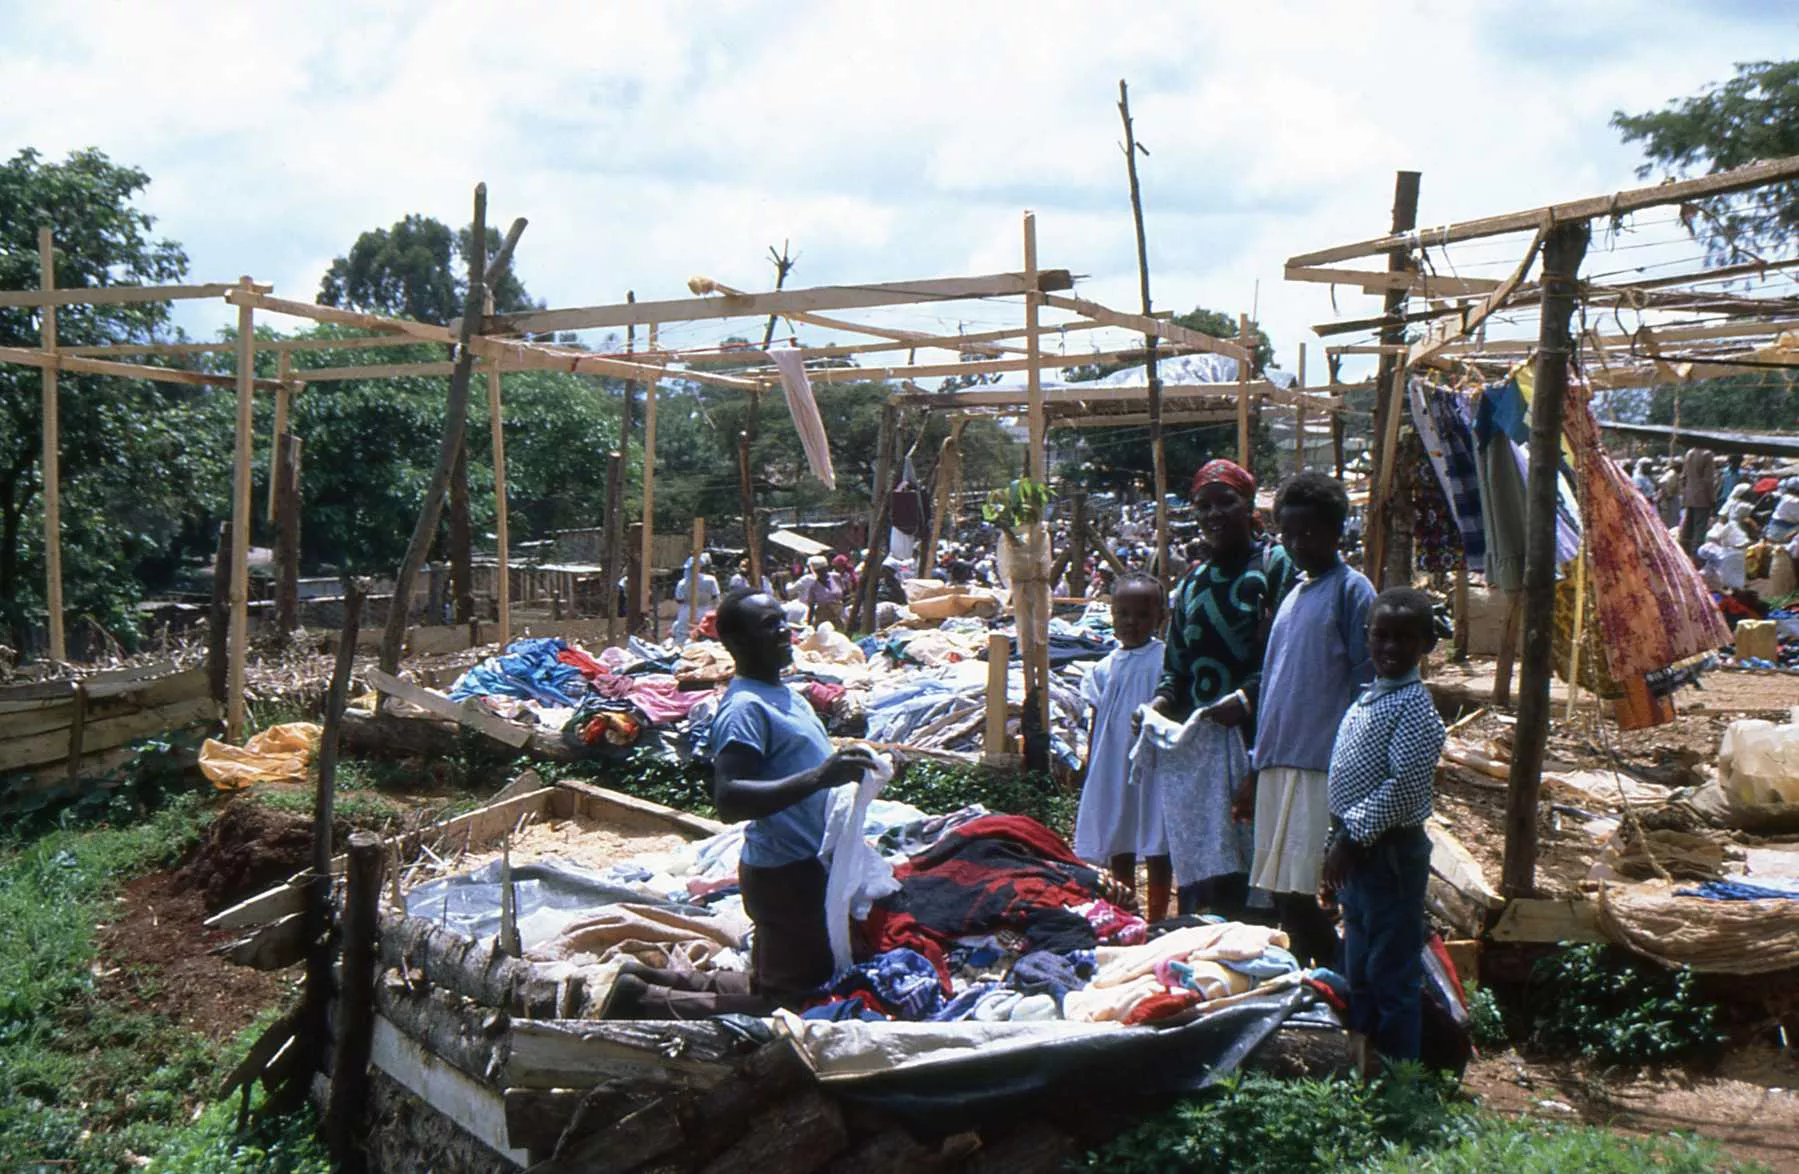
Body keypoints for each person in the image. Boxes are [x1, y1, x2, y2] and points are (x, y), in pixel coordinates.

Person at [606, 590, 883, 1018]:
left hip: (805, 866)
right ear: (736, 643)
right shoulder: (745, 708)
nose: (784, 632)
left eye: (782, 621)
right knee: (791, 1003)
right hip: (785, 873)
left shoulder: (784, 694)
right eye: (769, 626)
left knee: (779, 980)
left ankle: (648, 980)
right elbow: (730, 798)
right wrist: (820, 777)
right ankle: (641, 1002)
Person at [1233, 473, 1374, 968]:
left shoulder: (1352, 592)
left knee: (1306, 889)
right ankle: (1325, 978)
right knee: (1281, 892)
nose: (1296, 545)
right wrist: (1257, 766)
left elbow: (1366, 683)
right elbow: (1274, 688)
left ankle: (1340, 975)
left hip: (1321, 765)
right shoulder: (1293, 595)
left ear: (1336, 532)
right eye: (1287, 535)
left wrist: (1356, 767)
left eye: (1308, 533)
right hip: (1279, 761)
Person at [1148, 459, 1295, 916]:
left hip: (1263, 743)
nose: (1213, 514)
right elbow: (1176, 668)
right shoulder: (1193, 584)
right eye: (1203, 506)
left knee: (1263, 876)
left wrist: (1248, 699)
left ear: (1249, 506)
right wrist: (1158, 706)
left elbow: (1293, 659)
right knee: (1209, 877)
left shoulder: (1275, 567)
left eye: (1225, 502)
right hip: (1204, 756)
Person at [1320, 587, 1447, 1076]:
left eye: (1404, 638)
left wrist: (1351, 838)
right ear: (1367, 636)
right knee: (1360, 967)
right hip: (1359, 855)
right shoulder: (1371, 697)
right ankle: (1363, 1071)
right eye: (1382, 636)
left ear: (1426, 645)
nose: (1390, 647)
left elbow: (1404, 787)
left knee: (1391, 973)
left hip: (1388, 856)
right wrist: (1338, 842)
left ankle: (1399, 1085)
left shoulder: (1414, 706)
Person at [1075, 572, 1173, 922]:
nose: (1132, 622)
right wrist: (1091, 765)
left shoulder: (1165, 662)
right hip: (1114, 762)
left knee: (1157, 838)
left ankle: (1158, 919)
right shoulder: (1103, 668)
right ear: (1112, 615)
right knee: (1120, 835)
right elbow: (1096, 721)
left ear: (1160, 617)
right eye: (1123, 614)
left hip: (1155, 764)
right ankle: (1126, 914)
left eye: (1143, 615)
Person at [671, 553, 720, 643]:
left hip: (686, 612)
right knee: (705, 638)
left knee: (682, 637)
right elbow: (715, 597)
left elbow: (679, 599)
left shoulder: (682, 583)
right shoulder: (711, 580)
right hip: (705, 612)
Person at [1680, 447, 1718, 556]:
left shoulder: (1689, 453)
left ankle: (1683, 554)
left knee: (1687, 528)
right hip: (1702, 498)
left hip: (1689, 496)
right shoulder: (1708, 454)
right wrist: (1712, 499)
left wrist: (1686, 493)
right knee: (1699, 530)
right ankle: (1696, 557)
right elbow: (1708, 480)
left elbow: (1683, 477)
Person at [801, 555, 846, 629]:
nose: (821, 573)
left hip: (839, 614)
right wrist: (809, 624)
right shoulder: (813, 585)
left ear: (826, 568)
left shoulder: (836, 577)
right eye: (818, 571)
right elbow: (811, 606)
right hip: (824, 618)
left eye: (823, 570)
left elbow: (844, 593)